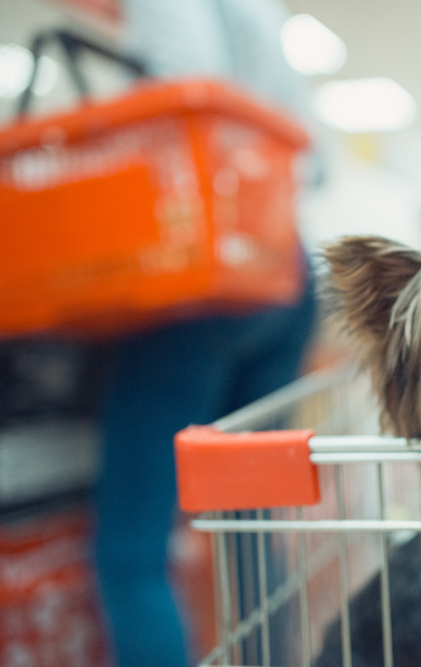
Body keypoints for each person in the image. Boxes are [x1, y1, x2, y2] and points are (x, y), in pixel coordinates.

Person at [93, 2, 319, 665]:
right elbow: (316, 152)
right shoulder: (261, 12)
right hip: (283, 265)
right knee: (251, 520)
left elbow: (182, 97)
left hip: (201, 277)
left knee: (133, 553)